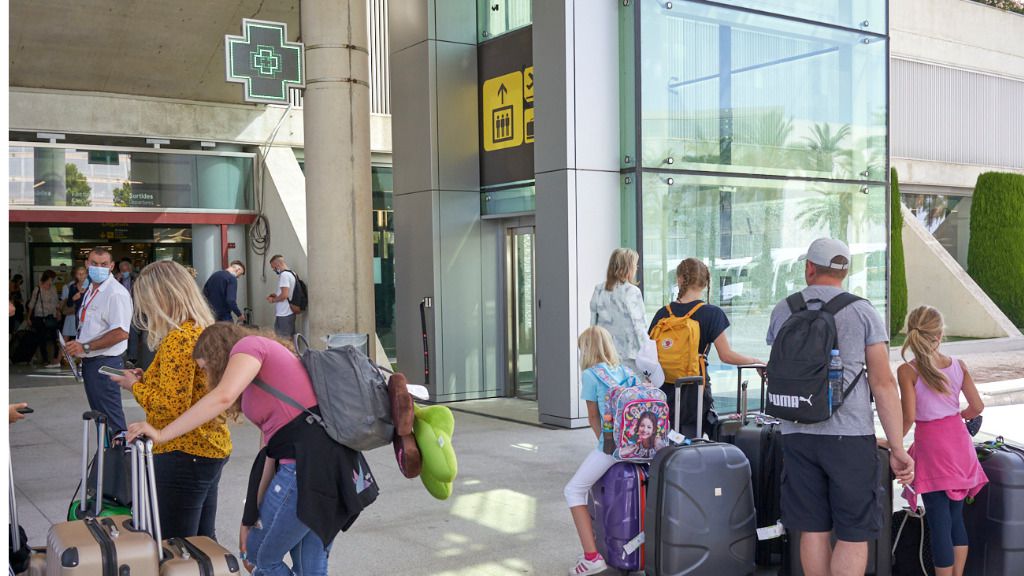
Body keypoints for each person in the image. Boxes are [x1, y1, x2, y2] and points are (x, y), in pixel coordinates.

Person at [126, 323, 377, 575]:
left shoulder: (249, 346)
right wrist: (249, 517)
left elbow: (223, 396)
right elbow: (268, 454)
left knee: (260, 558)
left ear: (218, 355)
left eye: (206, 369)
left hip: (307, 468)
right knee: (308, 565)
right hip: (329, 465)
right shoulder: (265, 380)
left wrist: (161, 434)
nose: (207, 378)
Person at [766, 238, 913, 576]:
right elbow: (883, 382)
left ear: (809, 268)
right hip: (849, 436)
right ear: (845, 271)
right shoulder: (862, 311)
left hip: (797, 431)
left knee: (813, 529)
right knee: (852, 532)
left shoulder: (783, 309)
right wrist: (897, 447)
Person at [107, 261, 231, 540]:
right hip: (210, 446)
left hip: (183, 452)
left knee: (177, 546)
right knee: (202, 543)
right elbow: (189, 391)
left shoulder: (179, 339)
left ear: (162, 297)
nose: (146, 310)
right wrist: (146, 379)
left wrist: (135, 386)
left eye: (147, 302)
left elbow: (170, 407)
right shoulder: (201, 330)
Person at [897, 305, 987, 576]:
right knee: (955, 517)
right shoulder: (958, 366)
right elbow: (977, 406)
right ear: (940, 334)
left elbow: (909, 416)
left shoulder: (907, 371)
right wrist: (959, 415)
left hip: (932, 449)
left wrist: (892, 442)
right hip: (958, 444)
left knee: (938, 521)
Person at [649, 258, 764, 436]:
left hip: (664, 390)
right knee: (693, 441)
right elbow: (726, 355)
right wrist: (755, 361)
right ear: (705, 283)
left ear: (680, 279)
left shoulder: (663, 313)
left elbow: (648, 355)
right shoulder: (711, 313)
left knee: (666, 439)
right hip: (695, 391)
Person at [563, 326, 633, 576]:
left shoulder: (592, 375)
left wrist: (606, 446)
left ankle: (591, 557)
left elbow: (593, 417)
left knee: (573, 490)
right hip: (637, 448)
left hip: (612, 447)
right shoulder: (626, 371)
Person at [64, 248, 133, 432]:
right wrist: (78, 348)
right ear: (87, 264)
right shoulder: (91, 289)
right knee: (101, 420)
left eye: (103, 264)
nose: (98, 268)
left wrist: (85, 346)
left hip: (107, 363)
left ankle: (119, 457)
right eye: (94, 264)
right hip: (92, 362)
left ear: (111, 266)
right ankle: (107, 456)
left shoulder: (115, 293)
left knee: (111, 419)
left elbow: (121, 333)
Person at [590, 248, 648, 373]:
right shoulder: (632, 292)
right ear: (627, 268)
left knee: (607, 390)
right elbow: (640, 328)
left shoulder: (598, 290)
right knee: (630, 391)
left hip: (604, 353)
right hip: (628, 356)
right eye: (634, 265)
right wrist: (647, 355)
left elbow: (593, 325)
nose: (636, 268)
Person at [26, 270, 62, 368]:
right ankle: (45, 359)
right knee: (41, 338)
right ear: (48, 278)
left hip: (51, 316)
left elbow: (56, 302)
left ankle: (55, 358)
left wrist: (58, 312)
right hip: (40, 317)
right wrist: (28, 317)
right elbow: (32, 304)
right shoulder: (37, 289)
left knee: (55, 338)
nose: (53, 281)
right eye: (52, 278)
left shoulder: (53, 288)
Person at [267, 255, 297, 338]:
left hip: (284, 313)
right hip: (290, 312)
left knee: (283, 340)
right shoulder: (292, 273)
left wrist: (273, 300)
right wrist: (276, 296)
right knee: (289, 339)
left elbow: (284, 295)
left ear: (278, 265)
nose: (273, 270)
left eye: (273, 267)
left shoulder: (284, 275)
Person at [61, 266, 89, 343]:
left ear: (86, 275)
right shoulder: (72, 287)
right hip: (76, 317)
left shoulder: (91, 287)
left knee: (85, 340)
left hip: (87, 318)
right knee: (76, 339)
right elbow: (69, 304)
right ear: (76, 275)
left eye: (83, 273)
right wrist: (73, 299)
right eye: (79, 274)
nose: (81, 275)